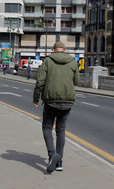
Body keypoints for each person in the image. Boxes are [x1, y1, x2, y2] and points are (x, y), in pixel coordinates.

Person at [33, 41, 80, 173]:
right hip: (67, 101)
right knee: (61, 130)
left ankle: (51, 154)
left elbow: (40, 82)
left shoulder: (47, 61)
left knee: (47, 127)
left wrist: (36, 98)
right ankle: (59, 162)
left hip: (51, 100)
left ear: (53, 50)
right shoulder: (72, 61)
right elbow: (77, 81)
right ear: (64, 50)